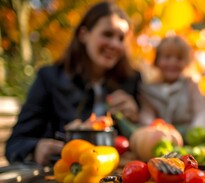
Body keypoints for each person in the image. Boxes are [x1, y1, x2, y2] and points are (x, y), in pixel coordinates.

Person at [6, 1, 141, 165]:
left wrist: (135, 119)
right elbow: (15, 144)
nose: (115, 44)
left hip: (114, 177)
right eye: (107, 34)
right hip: (60, 179)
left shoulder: (130, 81)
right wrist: (36, 149)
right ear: (84, 35)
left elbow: (144, 140)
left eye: (121, 38)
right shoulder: (50, 78)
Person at [139, 35, 205, 135]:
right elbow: (147, 114)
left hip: (188, 135)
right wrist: (154, 130)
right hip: (160, 136)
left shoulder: (191, 85)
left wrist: (195, 131)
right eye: (167, 57)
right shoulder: (148, 90)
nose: (173, 62)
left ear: (186, 62)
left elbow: (202, 112)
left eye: (179, 58)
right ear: (156, 61)